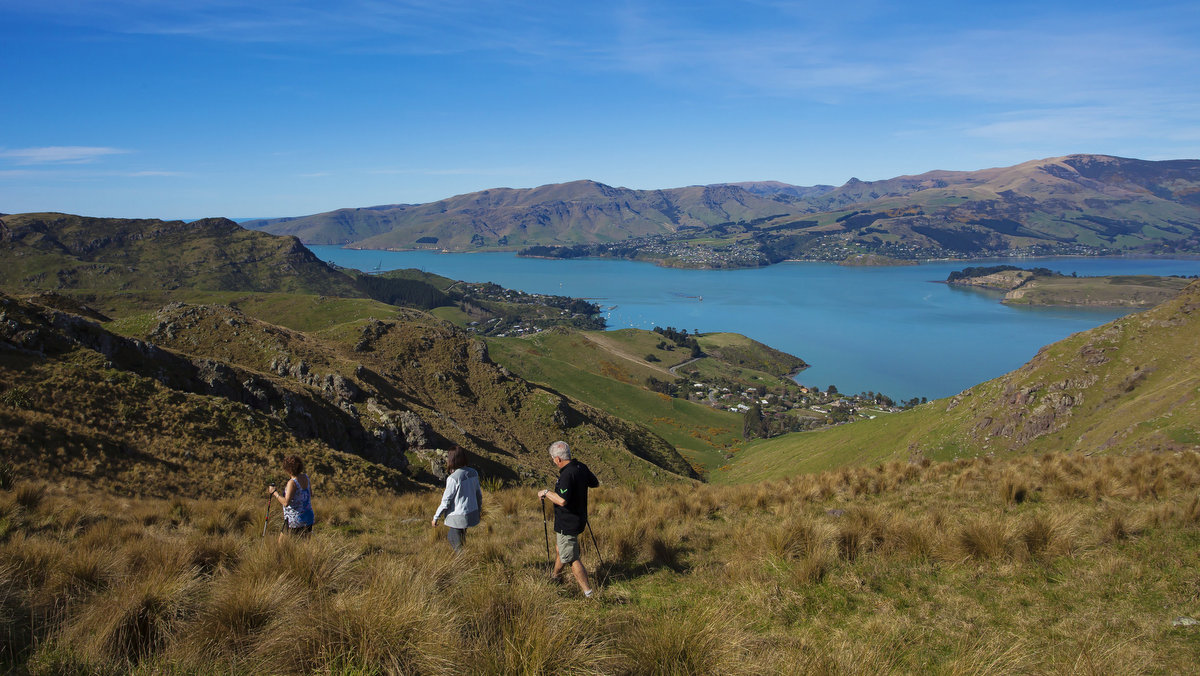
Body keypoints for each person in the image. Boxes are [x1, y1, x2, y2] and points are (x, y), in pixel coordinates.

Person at [538, 440, 599, 598]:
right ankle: (555, 577)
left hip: (568, 522)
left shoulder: (567, 474)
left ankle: (588, 593)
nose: (553, 461)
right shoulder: (581, 467)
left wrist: (546, 492)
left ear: (558, 459)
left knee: (572, 558)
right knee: (562, 550)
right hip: (579, 518)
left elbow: (562, 500)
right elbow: (594, 483)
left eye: (553, 459)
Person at [431, 446, 482, 551]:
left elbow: (446, 501)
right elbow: (478, 495)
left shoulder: (453, 478)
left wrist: (436, 517)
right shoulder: (473, 473)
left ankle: (462, 563)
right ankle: (464, 559)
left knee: (453, 538)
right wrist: (478, 511)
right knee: (461, 537)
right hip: (472, 513)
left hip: (458, 516)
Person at [268, 455, 315, 542]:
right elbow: (310, 493)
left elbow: (286, 502)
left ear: (287, 469)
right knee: (305, 546)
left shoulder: (292, 483)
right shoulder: (306, 477)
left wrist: (275, 493)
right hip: (308, 517)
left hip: (294, 519)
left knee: (281, 545)